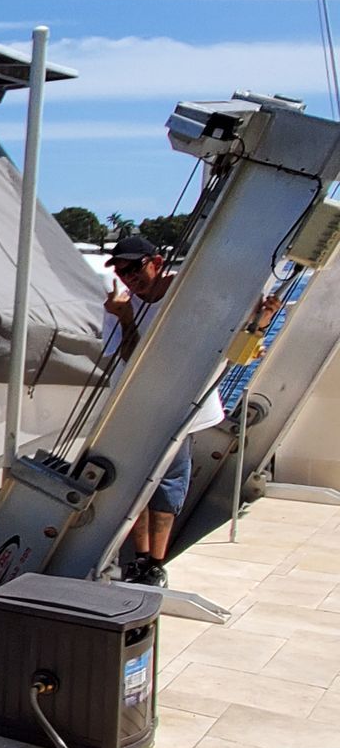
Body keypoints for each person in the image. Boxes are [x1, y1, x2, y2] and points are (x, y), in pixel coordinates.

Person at [101, 234, 225, 586]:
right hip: (134, 407)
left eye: (134, 267)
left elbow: (157, 361)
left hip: (177, 408)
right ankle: (141, 559)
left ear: (156, 262)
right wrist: (123, 316)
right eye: (121, 270)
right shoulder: (118, 304)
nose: (128, 277)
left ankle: (156, 562)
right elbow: (131, 359)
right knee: (134, 481)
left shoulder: (187, 296)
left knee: (169, 484)